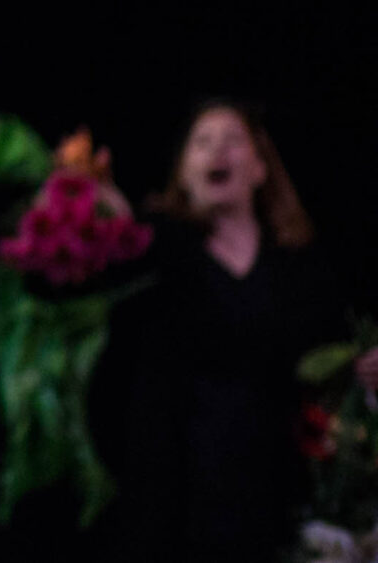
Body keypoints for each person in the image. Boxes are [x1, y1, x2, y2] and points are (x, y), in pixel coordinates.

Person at [102, 99, 375, 561]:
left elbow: (330, 362)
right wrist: (105, 224)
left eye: (232, 140)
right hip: (178, 503)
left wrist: (363, 368)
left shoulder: (299, 266)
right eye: (202, 142)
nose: (217, 152)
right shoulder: (156, 252)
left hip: (281, 496)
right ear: (183, 173)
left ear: (260, 167)